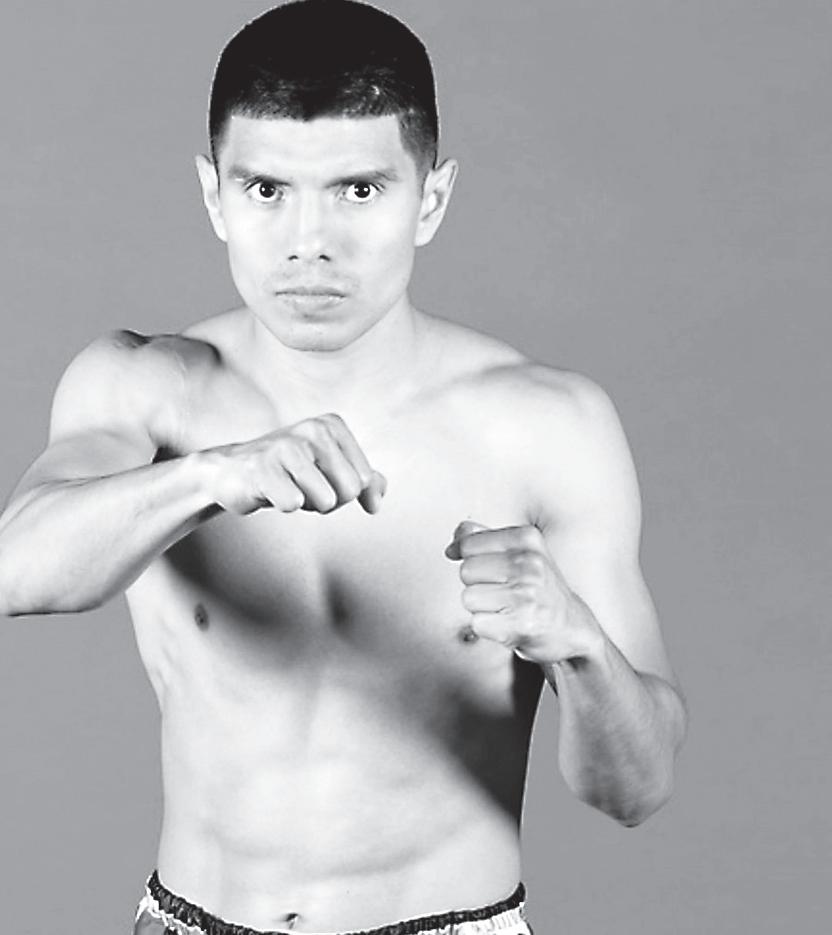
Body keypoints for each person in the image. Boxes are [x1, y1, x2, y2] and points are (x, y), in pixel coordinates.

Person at [0, 1, 689, 933]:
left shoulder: (546, 426)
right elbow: (16, 570)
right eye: (266, 189)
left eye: (358, 190)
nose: (308, 241)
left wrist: (580, 642)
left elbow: (635, 790)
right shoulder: (145, 386)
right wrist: (210, 476)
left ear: (430, 200)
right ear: (213, 196)